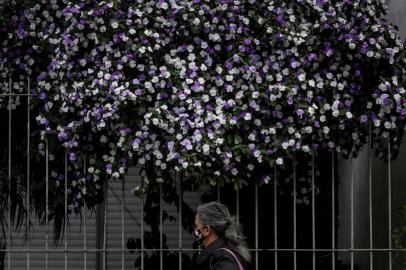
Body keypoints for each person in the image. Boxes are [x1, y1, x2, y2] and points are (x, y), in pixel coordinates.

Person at [190, 201, 251, 270]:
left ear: (206, 230)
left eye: (196, 226)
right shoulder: (223, 254)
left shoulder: (222, 258)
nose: (195, 230)